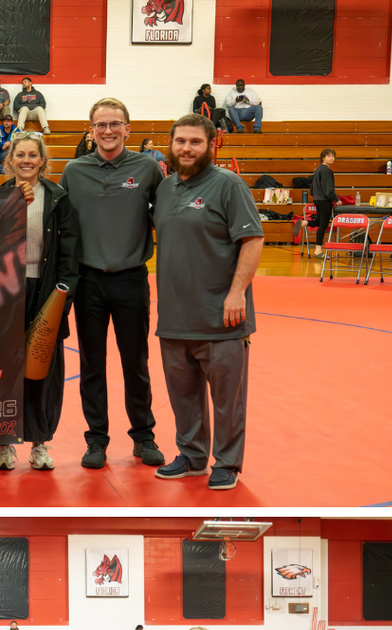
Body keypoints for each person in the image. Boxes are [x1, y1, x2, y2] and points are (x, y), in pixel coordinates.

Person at [153, 113, 264, 492]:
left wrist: (237, 293)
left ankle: (227, 463)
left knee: (226, 400)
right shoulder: (165, 188)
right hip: (173, 316)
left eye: (195, 142)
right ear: (170, 144)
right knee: (183, 396)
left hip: (222, 316)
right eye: (180, 141)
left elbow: (252, 241)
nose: (186, 148)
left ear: (211, 145)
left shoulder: (229, 185)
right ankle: (192, 455)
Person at [59, 98, 165, 471]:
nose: (108, 130)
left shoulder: (148, 168)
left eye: (114, 124)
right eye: (100, 125)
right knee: (92, 365)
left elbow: (168, 216)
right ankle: (97, 439)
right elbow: (60, 225)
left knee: (136, 362)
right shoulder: (73, 171)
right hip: (87, 282)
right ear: (90, 130)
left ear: (127, 128)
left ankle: (143, 436)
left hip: (131, 279)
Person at [0, 132, 78, 472]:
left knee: (43, 371)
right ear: (10, 159)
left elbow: (70, 253)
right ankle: (3, 443)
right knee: (3, 370)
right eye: (20, 155)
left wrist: (63, 294)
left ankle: (40, 443)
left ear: (42, 160)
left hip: (45, 291)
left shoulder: (58, 198)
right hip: (5, 294)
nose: (26, 160)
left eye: (33, 155)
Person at [310, 149, 338, 258]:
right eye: (329, 156)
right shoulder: (326, 170)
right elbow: (328, 189)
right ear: (323, 157)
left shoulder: (318, 169)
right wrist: (336, 200)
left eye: (333, 156)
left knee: (319, 221)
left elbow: (311, 189)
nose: (331, 158)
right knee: (323, 225)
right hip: (324, 200)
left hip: (317, 198)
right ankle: (318, 250)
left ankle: (304, 223)